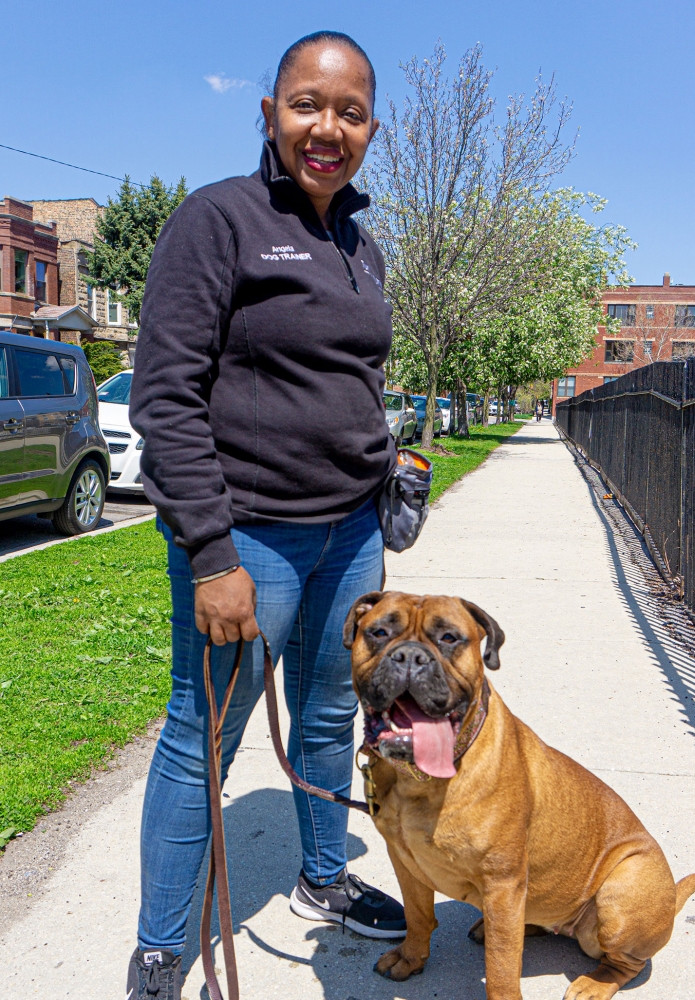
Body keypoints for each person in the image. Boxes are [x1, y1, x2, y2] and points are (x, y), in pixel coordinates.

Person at [126, 31, 406, 999]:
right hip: (250, 538)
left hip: (351, 537)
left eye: (350, 111)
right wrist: (210, 551)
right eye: (306, 105)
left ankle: (323, 877)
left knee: (333, 714)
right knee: (201, 736)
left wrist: (386, 463)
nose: (327, 128)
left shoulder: (362, 246)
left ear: (371, 126)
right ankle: (163, 944)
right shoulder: (219, 220)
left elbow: (352, 379)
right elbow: (164, 395)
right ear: (270, 113)